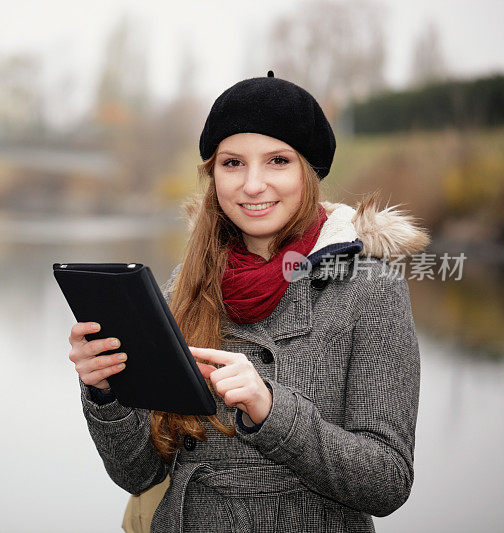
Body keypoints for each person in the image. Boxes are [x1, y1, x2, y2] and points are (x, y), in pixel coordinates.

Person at [67, 71, 430, 532]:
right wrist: (105, 391)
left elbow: (387, 483)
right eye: (233, 163)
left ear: (309, 172)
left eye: (277, 161)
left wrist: (271, 409)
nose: (252, 185)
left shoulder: (371, 289)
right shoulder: (185, 286)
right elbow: (137, 474)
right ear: (213, 174)